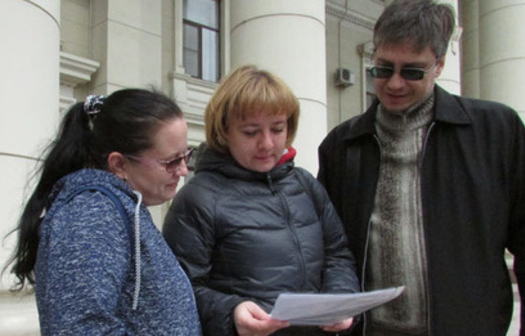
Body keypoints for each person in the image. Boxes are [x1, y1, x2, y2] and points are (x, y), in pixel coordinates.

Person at [317, 0, 525, 335]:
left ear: (439, 64)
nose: (394, 83)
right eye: (383, 68)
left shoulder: (496, 131)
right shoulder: (342, 146)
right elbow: (328, 249)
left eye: (412, 71)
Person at [163, 65, 359, 336]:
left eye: (277, 129)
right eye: (251, 132)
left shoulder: (305, 185)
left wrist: (340, 300)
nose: (266, 143)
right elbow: (177, 288)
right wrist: (231, 312)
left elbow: (337, 255)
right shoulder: (198, 198)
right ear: (223, 131)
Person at [4, 89, 202, 335]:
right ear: (119, 164)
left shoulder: (117, 208)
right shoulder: (91, 213)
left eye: (187, 156)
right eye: (172, 161)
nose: (183, 170)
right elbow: (79, 327)